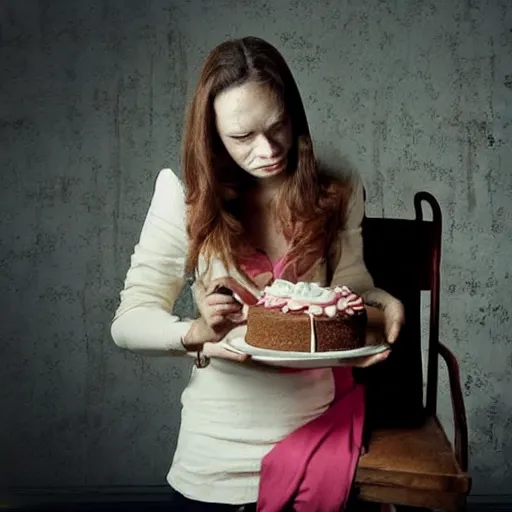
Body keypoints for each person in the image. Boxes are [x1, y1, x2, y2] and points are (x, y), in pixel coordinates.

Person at [111, 36, 404, 511]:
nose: (267, 149)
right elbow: (128, 321)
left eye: (278, 126)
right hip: (218, 451)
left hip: (322, 433)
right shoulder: (183, 196)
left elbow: (352, 287)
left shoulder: (336, 187)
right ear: (211, 135)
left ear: (294, 114)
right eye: (242, 137)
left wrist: (380, 303)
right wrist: (197, 332)